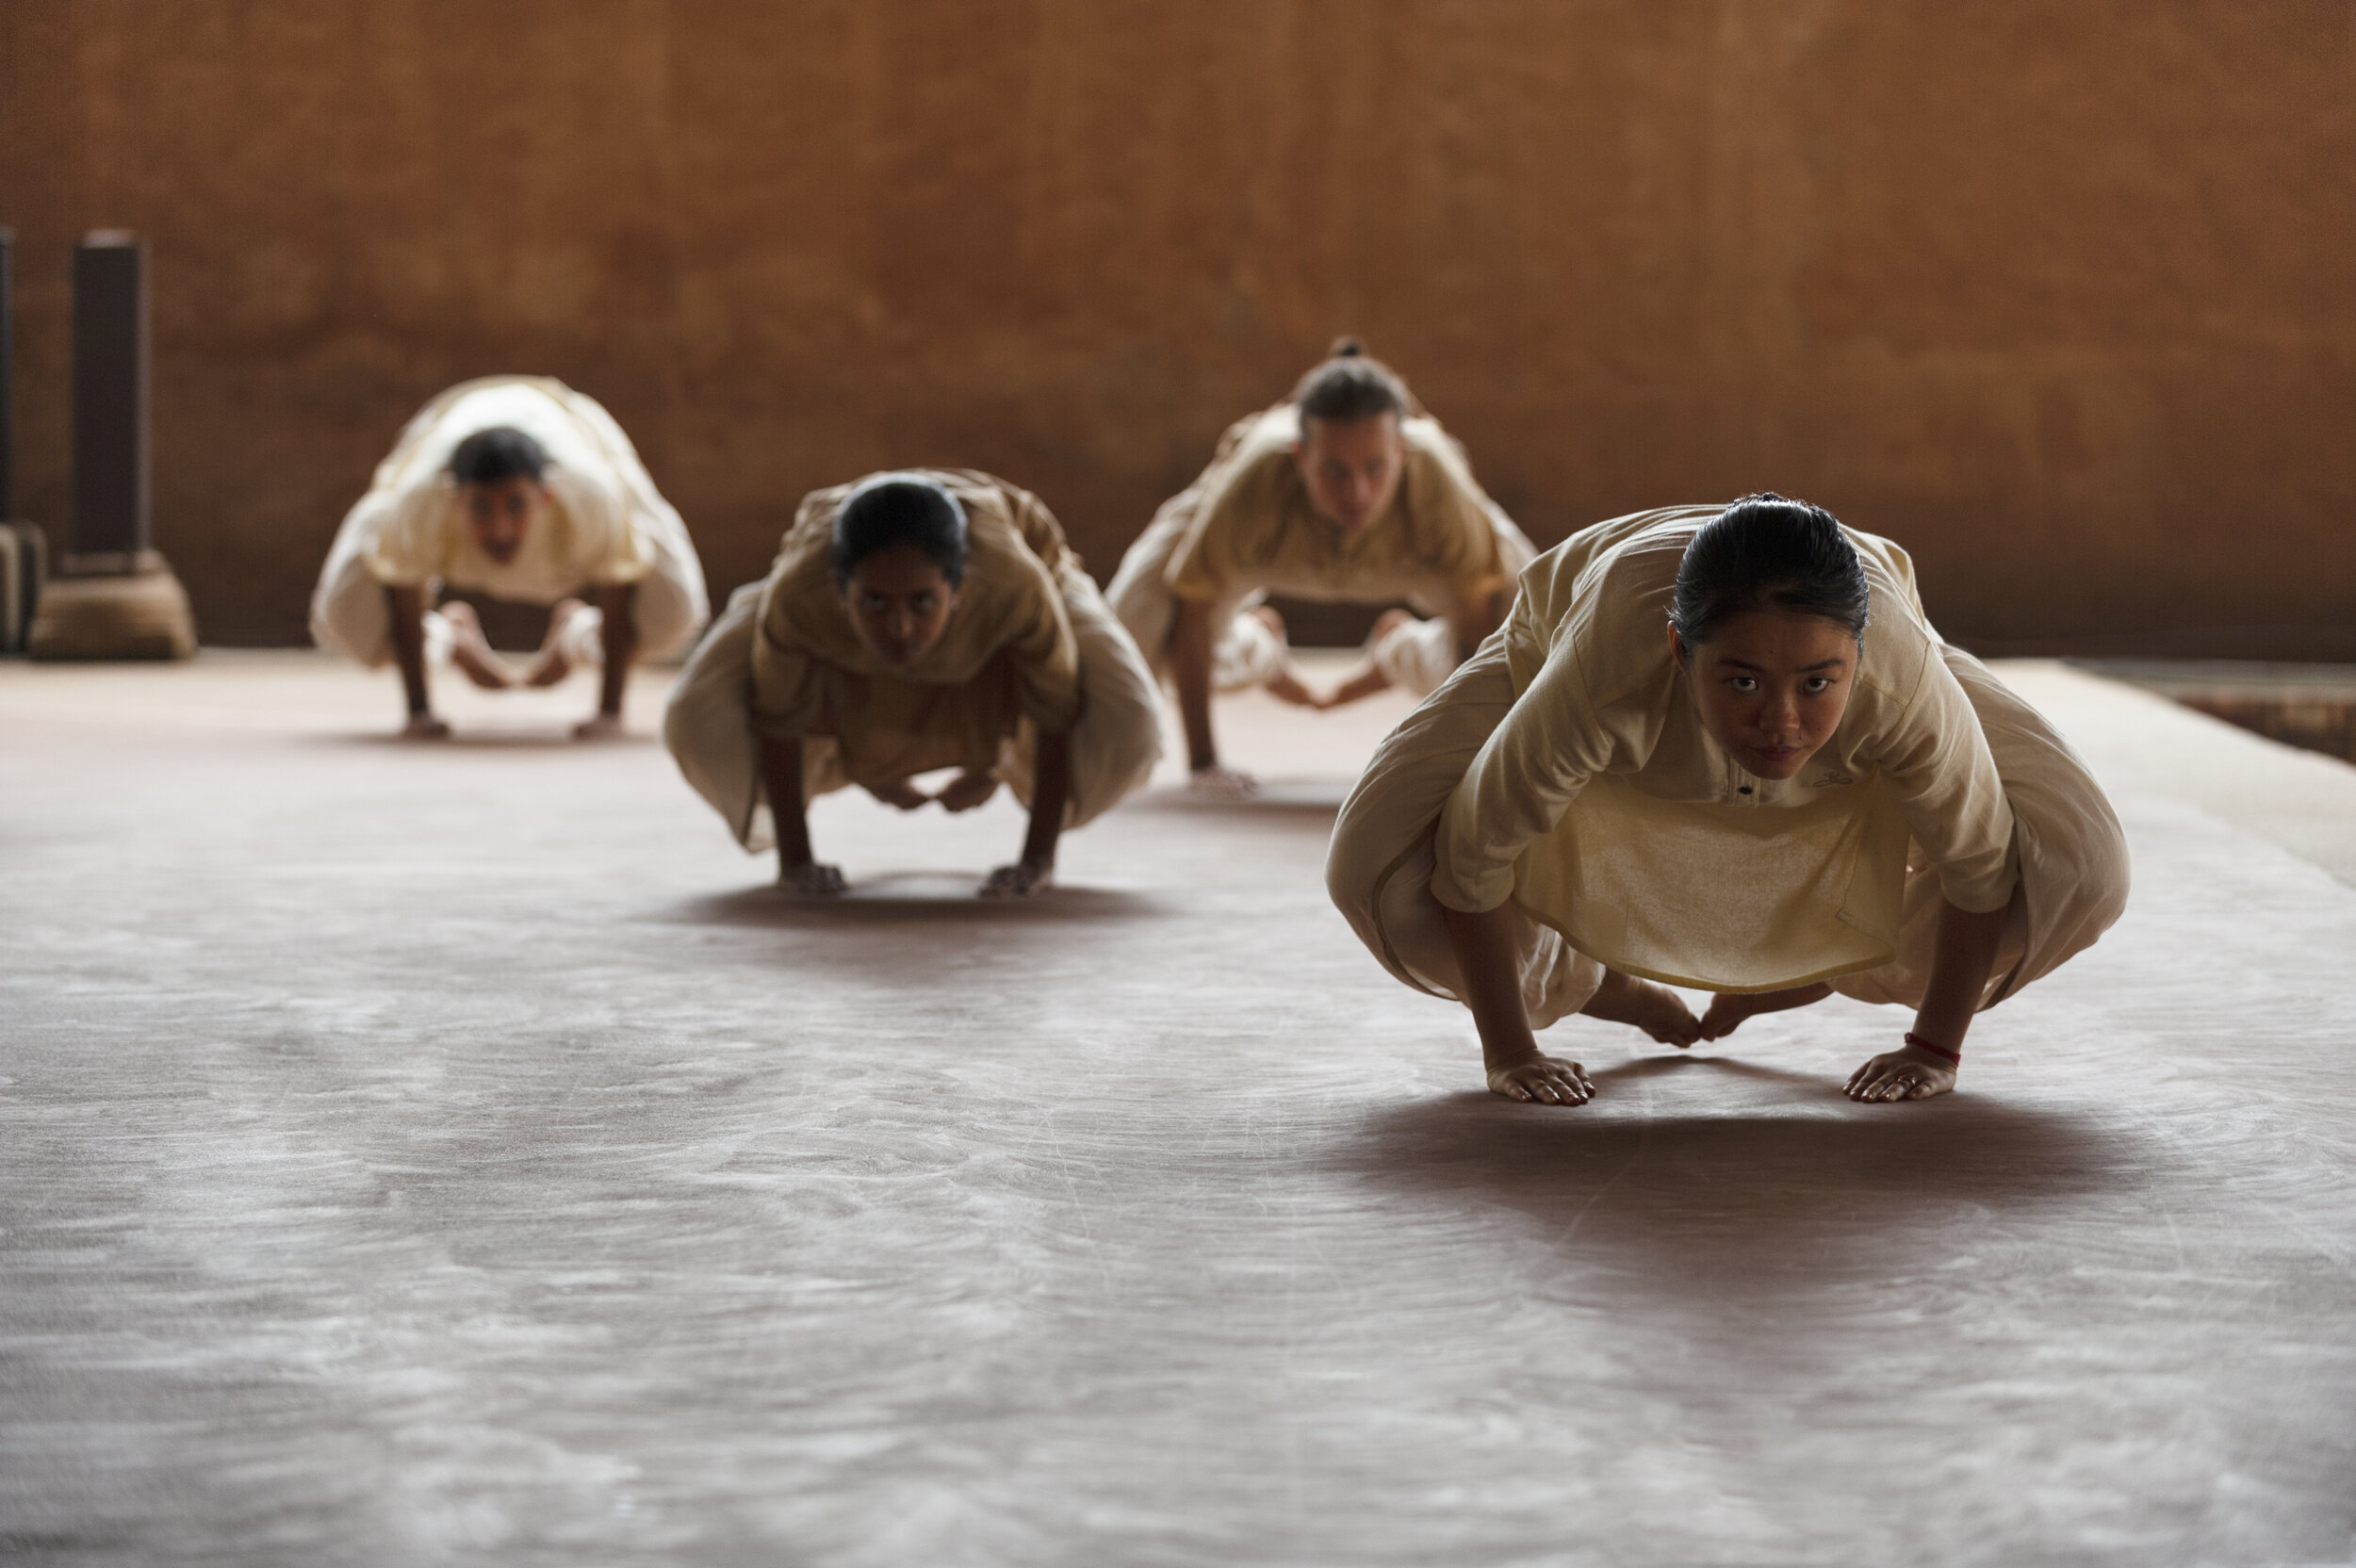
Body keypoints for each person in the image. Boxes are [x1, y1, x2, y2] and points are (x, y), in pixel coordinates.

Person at [1326, 496, 2130, 1105]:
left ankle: (1809, 972)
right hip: (1550, 635)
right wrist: (1510, 1053)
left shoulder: (1899, 679)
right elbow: (1472, 859)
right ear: (1680, 651)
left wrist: (1933, 1050)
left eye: (1816, 684)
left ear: (1855, 654)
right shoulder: (1600, 677)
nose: (1779, 721)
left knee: (2081, 867)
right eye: (1742, 680)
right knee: (1373, 868)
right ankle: (1598, 983)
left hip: (1881, 641)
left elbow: (1980, 871)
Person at [663, 471, 1162, 898]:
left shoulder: (1017, 586)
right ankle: (855, 757)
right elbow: (779, 720)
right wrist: (796, 861)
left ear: (961, 590)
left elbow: (1055, 712)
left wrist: (1037, 859)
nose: (899, 627)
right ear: (840, 593)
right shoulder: (799, 595)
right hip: (813, 588)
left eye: (921, 602)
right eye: (875, 603)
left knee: (1132, 723)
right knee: (695, 719)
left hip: (1039, 567)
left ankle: (999, 759)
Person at [1106, 340, 1534, 797]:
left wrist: (1462, 760)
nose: (1357, 494)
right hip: (1267, 537)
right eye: (1335, 470)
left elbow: (1475, 624)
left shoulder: (1438, 484)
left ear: (1402, 455)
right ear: (1301, 458)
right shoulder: (1253, 481)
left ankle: (1399, 650)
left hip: (1413, 546)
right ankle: (1260, 650)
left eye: (1375, 468)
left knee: (1537, 624)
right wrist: (1204, 762)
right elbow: (1193, 617)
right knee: (1132, 626)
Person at [310, 376, 709, 739]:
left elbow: (619, 580)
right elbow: (402, 586)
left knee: (676, 614)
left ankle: (574, 636)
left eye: (515, 505)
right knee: (344, 621)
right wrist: (420, 712)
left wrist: (609, 714)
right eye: (481, 508)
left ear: (545, 496)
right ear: (454, 500)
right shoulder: (418, 500)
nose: (500, 529)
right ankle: (450, 639)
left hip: (577, 423)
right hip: (442, 421)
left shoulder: (593, 496)